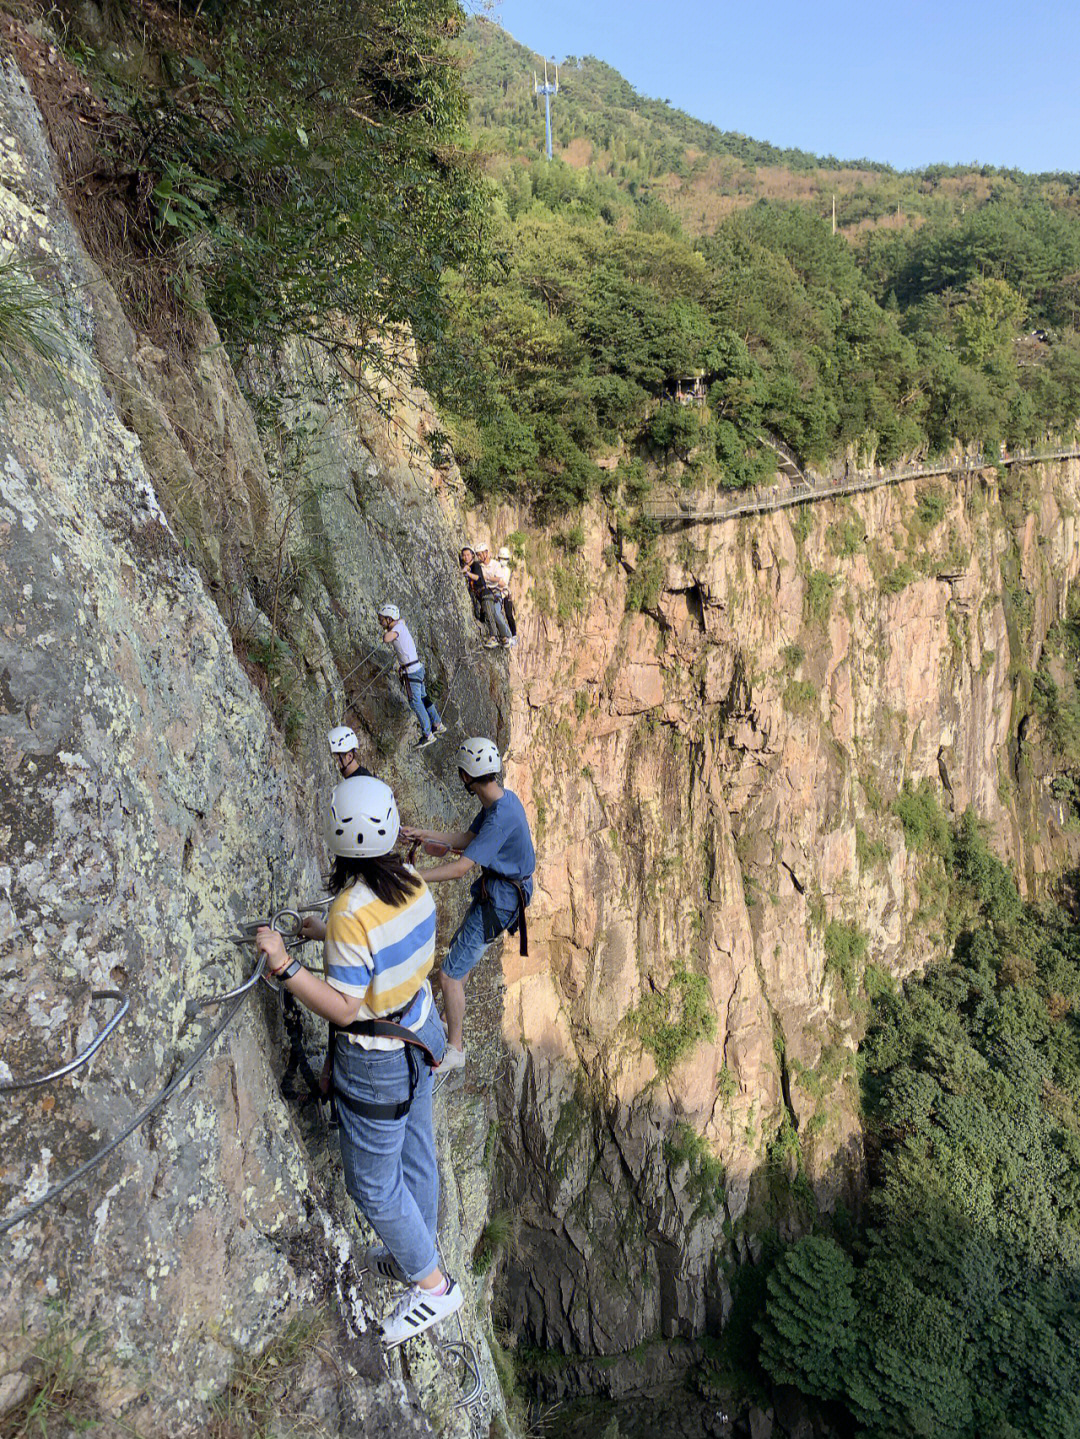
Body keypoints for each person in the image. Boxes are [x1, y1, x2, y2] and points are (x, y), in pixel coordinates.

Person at [256, 776, 463, 1348]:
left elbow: (346, 1010)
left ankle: (434, 1285)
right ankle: (413, 1256)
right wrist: (322, 933)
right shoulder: (412, 880)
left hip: (379, 1057)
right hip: (421, 1032)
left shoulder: (352, 908)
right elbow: (382, 944)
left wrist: (286, 968)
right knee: (417, 1151)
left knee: (372, 1184)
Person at [401, 738, 535, 1073]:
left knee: (449, 976)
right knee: (461, 955)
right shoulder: (501, 803)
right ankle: (449, 1016)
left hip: (500, 901)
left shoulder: (500, 816)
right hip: (502, 894)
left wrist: (415, 877)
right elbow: (466, 840)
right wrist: (423, 834)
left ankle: (455, 1048)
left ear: (466, 776)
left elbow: (462, 866)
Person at [378, 603, 446, 750]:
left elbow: (386, 638)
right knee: (423, 698)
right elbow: (401, 623)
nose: (380, 622)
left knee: (416, 702)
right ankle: (437, 724)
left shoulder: (397, 629)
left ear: (389, 619)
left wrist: (388, 629)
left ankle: (428, 734)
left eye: (382, 619)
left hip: (411, 672)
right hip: (417, 668)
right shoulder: (400, 625)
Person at [473, 543, 512, 650]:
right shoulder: (479, 566)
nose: (479, 557)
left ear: (486, 553)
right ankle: (496, 637)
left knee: (496, 612)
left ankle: (506, 636)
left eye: (480, 554)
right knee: (489, 611)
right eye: (477, 555)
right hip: (486, 591)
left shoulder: (495, 564)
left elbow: (498, 578)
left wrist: (486, 577)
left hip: (496, 592)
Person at [494, 546, 517, 639]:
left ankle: (514, 634)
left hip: (505, 593)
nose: (503, 561)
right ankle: (502, 634)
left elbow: (503, 583)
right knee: (497, 613)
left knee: (509, 614)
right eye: (502, 558)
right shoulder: (495, 566)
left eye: (505, 559)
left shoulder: (507, 570)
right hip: (498, 592)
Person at [459, 547, 484, 625]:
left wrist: (467, 573)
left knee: (482, 615)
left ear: (472, 555)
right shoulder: (467, 565)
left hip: (481, 592)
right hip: (474, 592)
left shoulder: (476, 565)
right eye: (464, 555)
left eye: (468, 555)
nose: (466, 557)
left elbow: (477, 577)